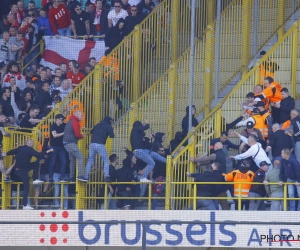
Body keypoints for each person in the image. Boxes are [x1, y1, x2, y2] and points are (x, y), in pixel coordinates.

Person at [3, 139, 53, 210]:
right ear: (27, 143)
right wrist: (49, 151)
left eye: (32, 142)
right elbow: (38, 155)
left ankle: (35, 179)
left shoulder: (21, 148)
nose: (32, 143)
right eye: (31, 142)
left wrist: (6, 153)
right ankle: (25, 204)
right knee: (26, 186)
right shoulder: (29, 149)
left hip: (23, 169)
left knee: (36, 163)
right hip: (22, 171)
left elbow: (13, 151)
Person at [83, 116, 114, 182]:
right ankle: (106, 176)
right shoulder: (108, 126)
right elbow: (112, 135)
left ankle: (85, 176)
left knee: (90, 160)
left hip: (92, 144)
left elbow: (91, 132)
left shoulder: (97, 125)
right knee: (106, 160)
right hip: (100, 144)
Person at [63, 110, 84, 183]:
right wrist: (82, 136)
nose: (82, 117)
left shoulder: (69, 121)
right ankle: (80, 175)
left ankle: (71, 177)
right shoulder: (75, 122)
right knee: (81, 157)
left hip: (66, 143)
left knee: (72, 160)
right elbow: (77, 134)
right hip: (71, 143)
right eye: (81, 115)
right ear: (77, 115)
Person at [48, 114, 68, 182]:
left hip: (62, 146)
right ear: (56, 119)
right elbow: (55, 135)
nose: (62, 121)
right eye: (61, 119)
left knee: (64, 161)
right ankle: (50, 177)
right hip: (54, 146)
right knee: (52, 162)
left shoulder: (64, 125)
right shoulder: (53, 126)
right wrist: (63, 133)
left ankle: (62, 177)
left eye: (63, 119)